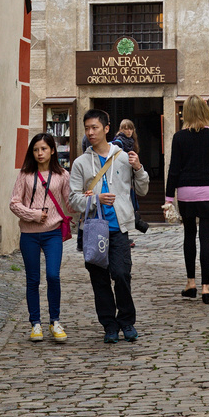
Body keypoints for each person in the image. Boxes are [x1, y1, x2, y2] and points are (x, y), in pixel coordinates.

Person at [69, 109, 149, 343]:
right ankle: (109, 326)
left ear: (106, 129)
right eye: (87, 128)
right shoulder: (81, 163)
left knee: (122, 275)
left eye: (95, 127)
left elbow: (142, 190)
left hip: (119, 229)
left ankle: (127, 321)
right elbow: (73, 199)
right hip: (93, 230)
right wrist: (95, 199)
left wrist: (138, 168)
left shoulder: (124, 157)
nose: (90, 132)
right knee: (100, 280)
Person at [163, 95, 209, 304]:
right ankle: (205, 288)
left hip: (186, 193)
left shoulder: (179, 137)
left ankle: (190, 283)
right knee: (205, 239)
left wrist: (168, 197)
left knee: (189, 236)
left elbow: (174, 169)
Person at [10, 132, 72, 342]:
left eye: (44, 149)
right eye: (36, 149)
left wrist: (86, 198)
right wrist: (33, 215)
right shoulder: (25, 174)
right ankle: (35, 323)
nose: (40, 153)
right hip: (29, 234)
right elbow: (14, 203)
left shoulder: (62, 175)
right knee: (33, 279)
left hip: (52, 233)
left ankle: (55, 321)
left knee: (53, 275)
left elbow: (69, 202)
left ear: (52, 150)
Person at [112, 119, 148, 243]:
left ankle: (127, 233)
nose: (128, 131)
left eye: (130, 128)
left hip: (129, 180)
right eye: (125, 128)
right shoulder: (118, 143)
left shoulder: (131, 142)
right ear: (120, 129)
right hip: (121, 179)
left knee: (130, 207)